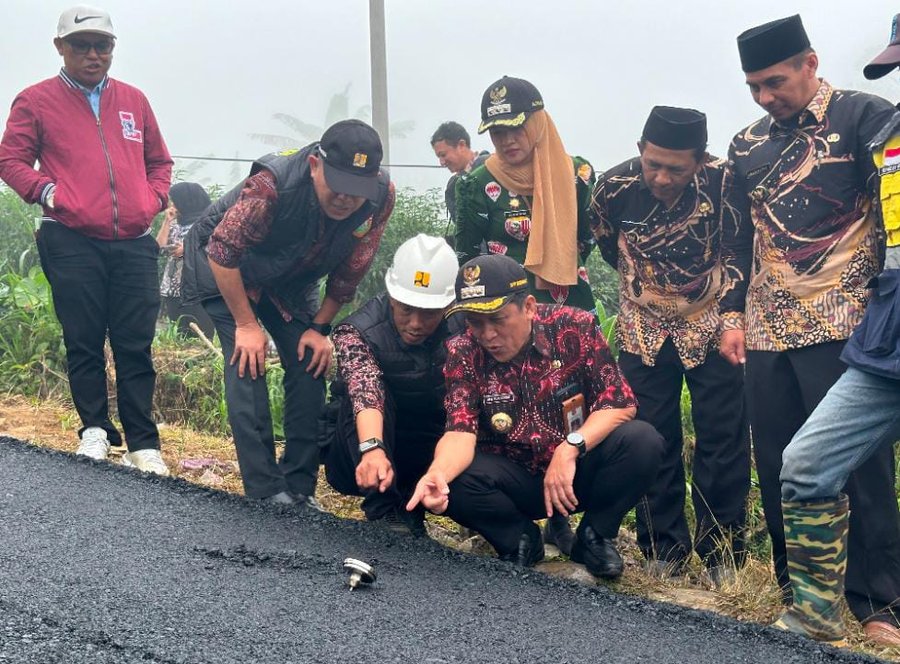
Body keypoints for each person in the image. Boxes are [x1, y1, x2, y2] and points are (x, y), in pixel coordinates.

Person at [722, 13, 900, 642]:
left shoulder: (865, 117)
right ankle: (800, 591)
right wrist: (730, 314)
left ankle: (877, 601)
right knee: (777, 462)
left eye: (775, 81)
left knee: (859, 465)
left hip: (847, 321)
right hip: (768, 327)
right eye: (754, 88)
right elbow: (737, 238)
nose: (767, 97)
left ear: (810, 63)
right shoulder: (746, 146)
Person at [406, 254, 663, 576]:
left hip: (574, 475)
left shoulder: (575, 327)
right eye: (475, 321)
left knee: (642, 441)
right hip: (514, 477)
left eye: (497, 319)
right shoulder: (462, 350)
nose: (487, 335)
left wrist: (571, 447)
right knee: (454, 480)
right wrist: (437, 475)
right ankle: (519, 537)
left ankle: (595, 535)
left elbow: (620, 402)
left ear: (528, 307)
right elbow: (460, 430)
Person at [181, 119, 395, 506]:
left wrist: (319, 328)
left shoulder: (381, 196)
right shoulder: (271, 185)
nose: (346, 200)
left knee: (310, 359)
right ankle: (264, 490)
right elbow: (223, 251)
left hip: (289, 279)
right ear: (315, 165)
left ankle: (298, 486)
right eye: (339, 185)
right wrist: (247, 325)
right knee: (247, 358)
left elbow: (352, 269)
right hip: (223, 268)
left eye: (356, 190)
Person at [0, 5, 172, 475]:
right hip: (71, 238)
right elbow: (11, 159)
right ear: (61, 47)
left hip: (135, 240)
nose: (93, 55)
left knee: (136, 343)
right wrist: (50, 192)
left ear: (112, 49)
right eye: (82, 45)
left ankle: (143, 442)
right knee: (84, 338)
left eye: (103, 45)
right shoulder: (35, 101)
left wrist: (151, 199)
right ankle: (94, 428)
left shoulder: (134, 100)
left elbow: (160, 161)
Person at [590, 106, 750, 584]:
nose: (661, 177)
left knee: (722, 439)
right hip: (643, 328)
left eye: (676, 169)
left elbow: (742, 248)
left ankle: (723, 552)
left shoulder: (726, 182)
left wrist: (729, 314)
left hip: (714, 324)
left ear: (700, 160)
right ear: (640, 150)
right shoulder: (613, 188)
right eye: (653, 163)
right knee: (651, 437)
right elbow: (604, 244)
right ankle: (663, 548)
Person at [322, 234, 462, 536]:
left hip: (429, 443)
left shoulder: (466, 330)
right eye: (406, 309)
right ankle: (384, 505)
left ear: (447, 305)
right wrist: (372, 449)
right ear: (391, 297)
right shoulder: (355, 332)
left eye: (428, 313)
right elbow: (365, 389)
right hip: (365, 445)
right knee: (364, 397)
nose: (415, 323)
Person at [454, 76, 598, 314]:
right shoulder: (477, 184)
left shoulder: (576, 174)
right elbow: (468, 257)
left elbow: (586, 238)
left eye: (517, 128)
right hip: (507, 310)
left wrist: (557, 259)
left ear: (537, 123)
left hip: (571, 304)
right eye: (497, 132)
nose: (507, 140)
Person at [156, 182, 214, 339]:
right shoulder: (176, 226)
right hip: (173, 288)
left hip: (196, 288)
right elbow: (158, 247)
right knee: (179, 331)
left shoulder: (207, 224)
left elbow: (214, 251)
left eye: (175, 200)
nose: (173, 205)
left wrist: (186, 250)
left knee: (200, 332)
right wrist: (167, 222)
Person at [430, 121, 488, 224]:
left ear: (461, 145)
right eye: (439, 157)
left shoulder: (490, 167)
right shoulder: (453, 186)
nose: (442, 163)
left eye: (443, 155)